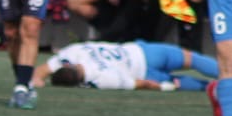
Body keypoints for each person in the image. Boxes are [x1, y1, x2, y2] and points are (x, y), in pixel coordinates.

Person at [31, 40, 217, 91]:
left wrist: (162, 87)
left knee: (180, 83)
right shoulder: (72, 52)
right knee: (192, 59)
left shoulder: (98, 78)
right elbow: (42, 70)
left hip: (144, 73)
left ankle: (221, 87)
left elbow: (140, 84)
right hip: (141, 51)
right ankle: (230, 73)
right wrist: (36, 79)